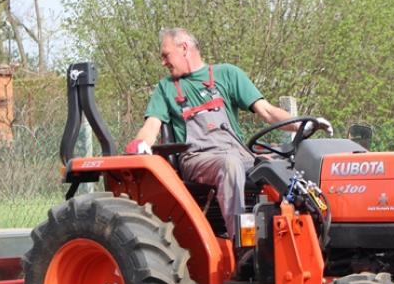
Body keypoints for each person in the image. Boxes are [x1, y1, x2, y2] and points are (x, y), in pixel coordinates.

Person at [126, 28, 331, 238]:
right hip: (199, 157)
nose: (163, 62)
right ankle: (242, 241)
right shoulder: (166, 88)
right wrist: (140, 145)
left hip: (239, 153)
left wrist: (303, 125)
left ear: (184, 48)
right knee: (229, 165)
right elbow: (152, 125)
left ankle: (309, 235)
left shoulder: (228, 74)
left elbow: (267, 111)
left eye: (165, 55)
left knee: (287, 164)